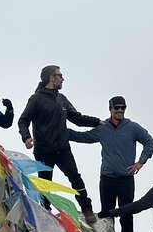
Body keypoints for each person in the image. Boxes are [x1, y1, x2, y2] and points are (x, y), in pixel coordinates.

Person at [18, 65, 102, 223]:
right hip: (43, 151)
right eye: (60, 75)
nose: (62, 78)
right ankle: (45, 215)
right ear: (51, 78)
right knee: (45, 185)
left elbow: (77, 118)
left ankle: (87, 209)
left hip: (63, 149)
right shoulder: (36, 99)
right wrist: (26, 137)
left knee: (75, 178)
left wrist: (97, 122)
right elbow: (23, 120)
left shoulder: (61, 98)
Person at [68, 96, 153, 232]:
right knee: (106, 213)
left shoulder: (132, 127)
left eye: (123, 108)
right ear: (111, 108)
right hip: (107, 178)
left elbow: (149, 142)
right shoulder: (103, 128)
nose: (120, 110)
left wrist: (141, 162)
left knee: (126, 212)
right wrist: (61, 131)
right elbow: (83, 137)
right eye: (117, 107)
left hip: (126, 178)